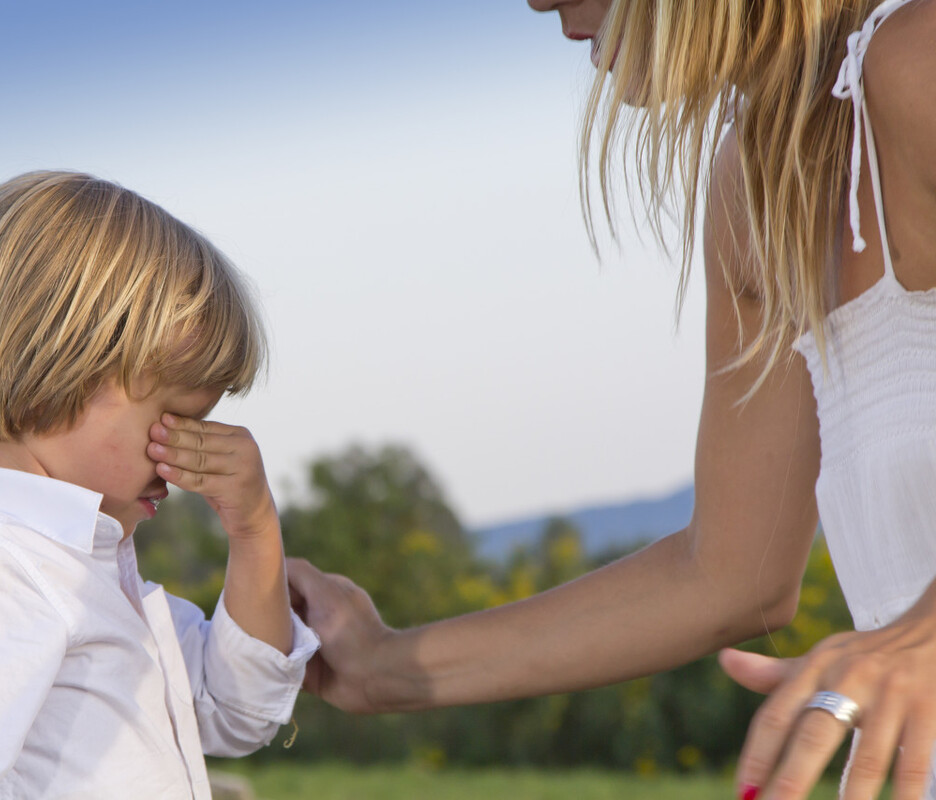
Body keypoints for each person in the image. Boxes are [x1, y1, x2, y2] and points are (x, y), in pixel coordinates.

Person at [286, 1, 936, 799]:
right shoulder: (759, 184)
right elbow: (731, 573)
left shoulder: (921, 58)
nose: (539, 3)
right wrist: (386, 667)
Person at [0, 171, 319, 799]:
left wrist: (254, 528)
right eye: (179, 418)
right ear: (59, 372)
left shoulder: (70, 563)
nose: (194, 452)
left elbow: (236, 711)